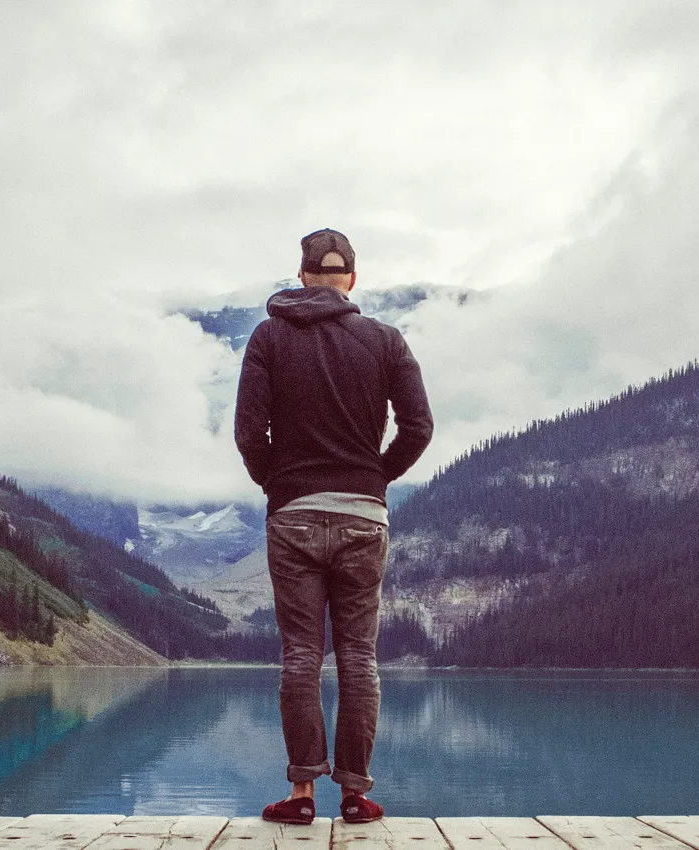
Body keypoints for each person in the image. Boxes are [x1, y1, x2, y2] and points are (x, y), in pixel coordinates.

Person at [234, 228, 434, 825]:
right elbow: (419, 428)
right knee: (358, 657)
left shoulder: (268, 337)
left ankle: (301, 796)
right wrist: (375, 476)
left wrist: (279, 484)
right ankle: (354, 796)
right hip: (363, 519)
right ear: (352, 278)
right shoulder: (386, 340)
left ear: (301, 276)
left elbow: (249, 433)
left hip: (293, 514)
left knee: (300, 655)